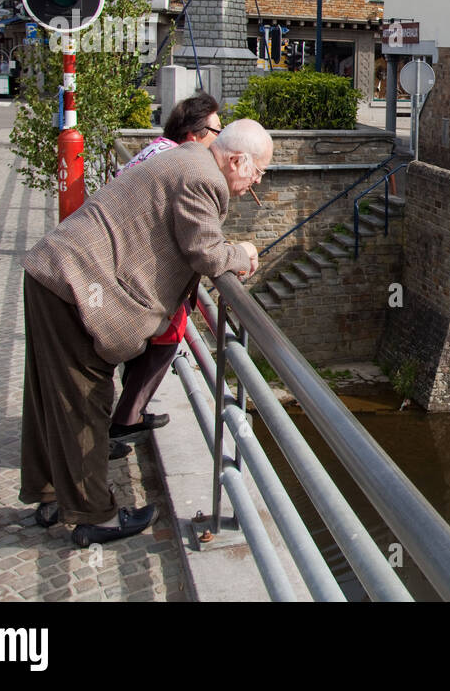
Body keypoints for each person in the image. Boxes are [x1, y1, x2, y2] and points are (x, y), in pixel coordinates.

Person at [20, 119, 272, 547]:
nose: (258, 181)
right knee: (84, 399)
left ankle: (50, 495)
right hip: (76, 286)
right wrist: (243, 253)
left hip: (57, 274)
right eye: (259, 170)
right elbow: (206, 253)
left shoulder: (189, 159)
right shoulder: (202, 177)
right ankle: (94, 517)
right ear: (236, 159)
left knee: (50, 395)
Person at [111, 93, 222, 445]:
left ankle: (126, 416)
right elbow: (202, 245)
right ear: (194, 134)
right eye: (217, 131)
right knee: (166, 335)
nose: (220, 139)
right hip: (126, 269)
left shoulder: (157, 150)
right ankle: (123, 422)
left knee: (156, 339)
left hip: (119, 262)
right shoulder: (181, 164)